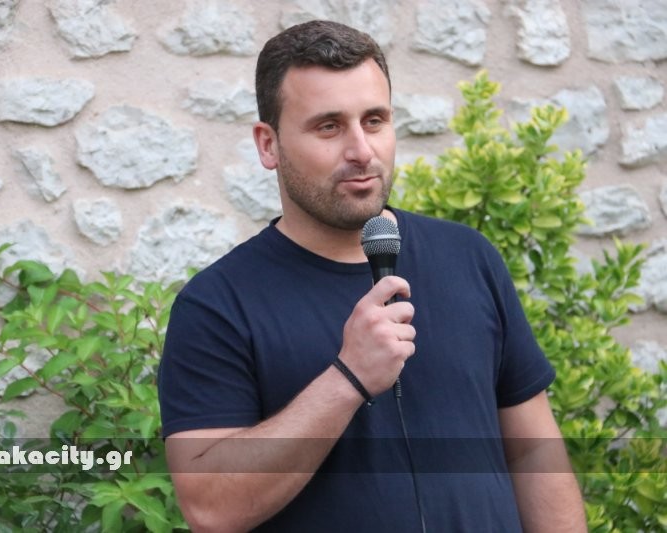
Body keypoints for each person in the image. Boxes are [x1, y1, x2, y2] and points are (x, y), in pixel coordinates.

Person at [157, 20, 586, 532]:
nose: (362, 150)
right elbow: (210, 507)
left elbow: (533, 455)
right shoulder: (217, 305)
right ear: (268, 145)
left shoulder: (469, 257)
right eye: (329, 126)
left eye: (375, 120)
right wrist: (348, 379)